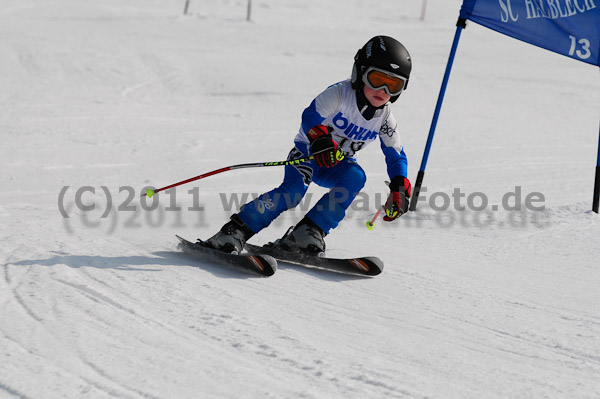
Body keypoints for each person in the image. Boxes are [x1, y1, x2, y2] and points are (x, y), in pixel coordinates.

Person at [204, 35, 413, 255]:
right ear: (359, 73)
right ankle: (234, 231)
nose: (383, 91)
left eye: (393, 85)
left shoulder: (385, 118)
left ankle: (308, 232)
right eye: (376, 79)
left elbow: (395, 153)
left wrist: (399, 185)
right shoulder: (340, 94)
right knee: (292, 193)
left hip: (337, 164)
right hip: (308, 154)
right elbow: (311, 114)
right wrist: (319, 139)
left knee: (356, 176)